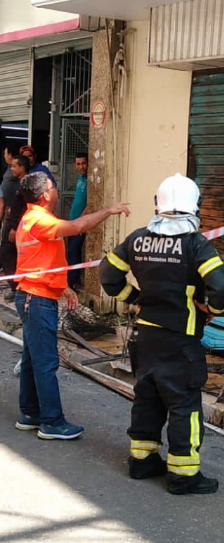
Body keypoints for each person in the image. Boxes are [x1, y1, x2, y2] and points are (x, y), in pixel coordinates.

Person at [99, 173, 224, 495]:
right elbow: (222, 287)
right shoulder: (196, 245)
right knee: (184, 405)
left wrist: (135, 298)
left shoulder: (137, 239)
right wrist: (212, 310)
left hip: (145, 338)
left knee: (147, 398)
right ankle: (183, 475)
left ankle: (142, 461)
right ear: (195, 206)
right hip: (180, 341)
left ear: (158, 205)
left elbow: (107, 274)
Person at [14, 172, 130, 440]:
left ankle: (30, 413)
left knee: (33, 360)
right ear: (45, 195)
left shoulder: (32, 218)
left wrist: (63, 286)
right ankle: (52, 422)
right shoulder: (40, 220)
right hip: (37, 299)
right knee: (45, 362)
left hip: (35, 294)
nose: (56, 190)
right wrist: (110, 210)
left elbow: (38, 261)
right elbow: (78, 227)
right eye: (53, 187)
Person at [1, 155, 30, 300]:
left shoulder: (26, 185)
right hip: (14, 223)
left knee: (7, 253)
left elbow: (23, 208)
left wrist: (14, 227)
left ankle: (16, 286)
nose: (11, 168)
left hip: (17, 226)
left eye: (14, 166)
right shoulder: (20, 183)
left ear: (22, 168)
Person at [67, 152, 89, 289]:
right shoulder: (81, 178)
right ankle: (72, 278)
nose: (81, 167)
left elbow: (90, 204)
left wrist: (81, 222)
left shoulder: (90, 181)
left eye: (84, 163)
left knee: (74, 251)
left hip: (79, 224)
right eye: (78, 163)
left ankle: (73, 281)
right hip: (73, 222)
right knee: (71, 251)